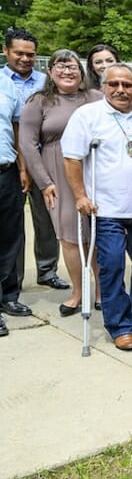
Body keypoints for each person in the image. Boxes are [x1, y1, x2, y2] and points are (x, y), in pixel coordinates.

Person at [62, 63, 132, 351]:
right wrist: (80, 196)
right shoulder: (88, 116)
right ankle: (120, 326)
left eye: (127, 85)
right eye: (114, 84)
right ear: (103, 86)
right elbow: (71, 159)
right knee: (112, 267)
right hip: (106, 210)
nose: (121, 90)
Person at [18, 51, 102, 316]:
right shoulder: (39, 102)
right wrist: (44, 182)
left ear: (82, 71)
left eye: (73, 66)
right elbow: (27, 144)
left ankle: (102, 290)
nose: (67, 71)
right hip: (57, 173)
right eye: (61, 66)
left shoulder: (96, 98)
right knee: (69, 235)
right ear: (51, 72)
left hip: (94, 170)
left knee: (97, 234)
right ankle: (78, 292)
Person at [4, 27, 67, 293]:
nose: (25, 58)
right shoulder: (1, 82)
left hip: (45, 159)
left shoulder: (46, 82)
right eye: (19, 53)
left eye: (30, 54)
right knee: (12, 223)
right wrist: (22, 165)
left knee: (46, 217)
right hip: (12, 160)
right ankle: (12, 278)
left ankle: (47, 269)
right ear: (6, 51)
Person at [0, 73, 28, 336]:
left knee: (11, 238)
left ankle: (9, 296)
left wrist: (22, 167)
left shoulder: (6, 83)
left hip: (6, 171)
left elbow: (16, 127)